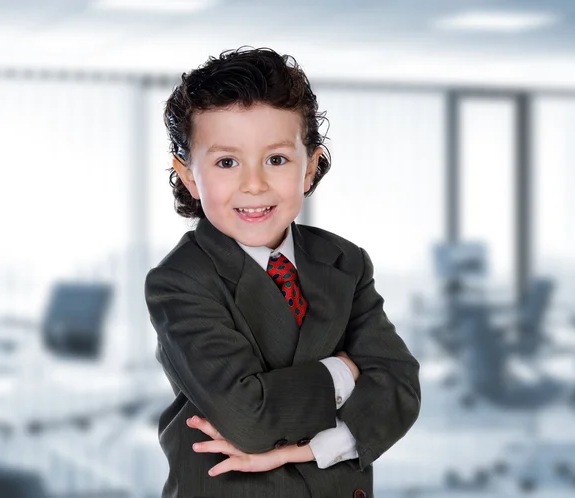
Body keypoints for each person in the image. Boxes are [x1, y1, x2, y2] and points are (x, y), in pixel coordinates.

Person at [144, 46, 421, 498]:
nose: (254, 184)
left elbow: (400, 387)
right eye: (226, 162)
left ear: (309, 167)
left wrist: (306, 449)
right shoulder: (181, 280)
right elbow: (248, 417)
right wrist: (343, 373)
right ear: (189, 176)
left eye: (276, 160)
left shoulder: (344, 261)